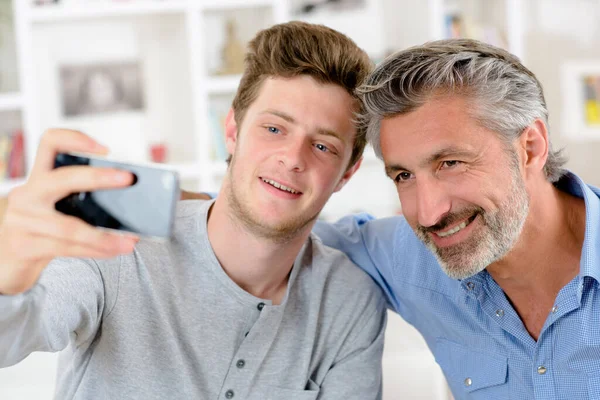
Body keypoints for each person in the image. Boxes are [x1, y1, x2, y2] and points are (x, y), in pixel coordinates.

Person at [180, 38, 600, 399]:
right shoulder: (418, 254)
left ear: (530, 147)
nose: (428, 212)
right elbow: (273, 223)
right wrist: (144, 199)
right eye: (403, 175)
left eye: (451, 162)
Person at [0, 22, 386, 399]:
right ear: (232, 131)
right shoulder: (121, 247)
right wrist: (7, 273)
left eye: (323, 147)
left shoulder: (349, 301)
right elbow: (14, 334)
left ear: (346, 173)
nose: (292, 158)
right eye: (273, 129)